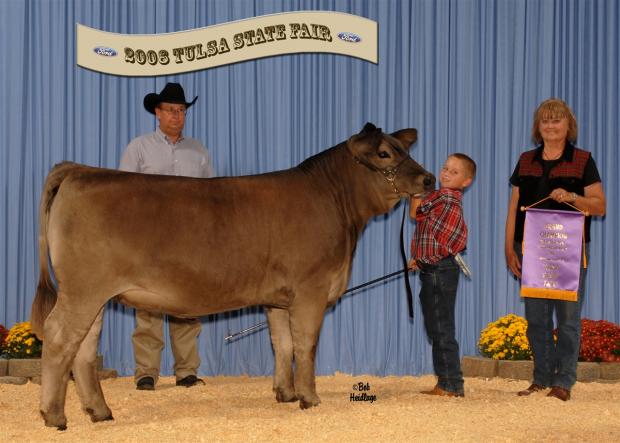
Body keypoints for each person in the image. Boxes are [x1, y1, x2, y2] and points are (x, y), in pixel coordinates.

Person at [505, 98, 606, 401]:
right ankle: (541, 378)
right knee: (536, 318)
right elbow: (514, 207)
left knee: (568, 319)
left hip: (570, 251)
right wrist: (509, 247)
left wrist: (573, 197)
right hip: (531, 250)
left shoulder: (583, 160)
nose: (550, 126)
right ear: (538, 127)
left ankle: (564, 382)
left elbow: (599, 206)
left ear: (568, 125)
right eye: (545, 121)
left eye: (556, 120)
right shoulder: (525, 160)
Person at [120, 82, 215, 390]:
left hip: (189, 238)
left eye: (182, 110)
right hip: (149, 237)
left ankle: (186, 371)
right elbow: (123, 194)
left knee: (187, 303)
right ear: (157, 113)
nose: (177, 116)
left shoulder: (198, 151)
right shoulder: (139, 147)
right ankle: (146, 371)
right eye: (171, 110)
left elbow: (211, 198)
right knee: (147, 303)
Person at [408, 153, 476, 398]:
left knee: (440, 328)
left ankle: (451, 384)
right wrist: (419, 258)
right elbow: (433, 234)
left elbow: (416, 215)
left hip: (439, 271)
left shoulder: (445, 198)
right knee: (438, 326)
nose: (446, 173)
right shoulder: (441, 198)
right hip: (437, 269)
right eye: (445, 168)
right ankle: (448, 381)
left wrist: (416, 189)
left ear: (466, 181)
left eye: (454, 172)